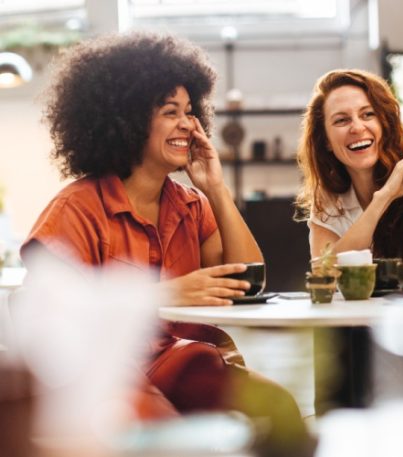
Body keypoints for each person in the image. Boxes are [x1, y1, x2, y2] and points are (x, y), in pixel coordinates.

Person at [20, 32, 312, 455]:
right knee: (178, 440)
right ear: (128, 119)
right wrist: (162, 295)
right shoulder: (75, 209)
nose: (187, 124)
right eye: (169, 111)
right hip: (111, 376)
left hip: (186, 363)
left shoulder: (191, 205)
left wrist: (216, 188)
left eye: (190, 112)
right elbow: (46, 327)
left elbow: (248, 281)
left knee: (280, 409)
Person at [296, 69, 403, 294]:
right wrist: (385, 196)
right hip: (366, 325)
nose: (357, 127)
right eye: (341, 120)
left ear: (384, 123)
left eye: (368, 114)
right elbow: (324, 276)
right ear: (326, 141)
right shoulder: (328, 197)